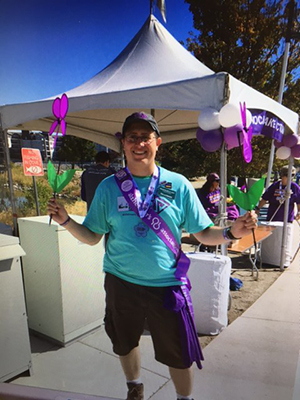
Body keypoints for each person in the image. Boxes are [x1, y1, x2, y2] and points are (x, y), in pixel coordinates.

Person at [48, 112, 257, 400]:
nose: (138, 143)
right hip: (121, 283)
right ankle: (134, 386)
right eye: (132, 137)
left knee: (179, 353)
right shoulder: (110, 187)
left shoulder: (179, 184)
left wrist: (231, 233)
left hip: (167, 285)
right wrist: (65, 221)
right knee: (124, 342)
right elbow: (93, 236)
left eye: (145, 137)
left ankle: (185, 398)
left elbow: (204, 233)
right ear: (123, 144)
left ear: (157, 143)